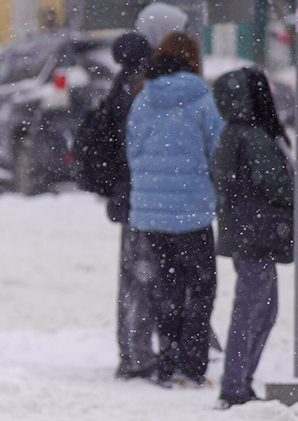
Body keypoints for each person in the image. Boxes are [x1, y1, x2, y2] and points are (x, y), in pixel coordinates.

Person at [125, 32, 225, 387]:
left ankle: (168, 364)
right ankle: (193, 366)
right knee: (200, 288)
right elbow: (218, 151)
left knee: (165, 290)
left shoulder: (143, 98)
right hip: (192, 211)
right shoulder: (202, 99)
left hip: (151, 213)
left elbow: (133, 151)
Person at [211, 68, 294, 408]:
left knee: (261, 309)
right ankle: (235, 387)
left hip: (246, 233)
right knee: (254, 310)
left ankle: (239, 383)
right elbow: (276, 185)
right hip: (257, 235)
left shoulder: (231, 133)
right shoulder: (254, 136)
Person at [101, 33, 158, 380]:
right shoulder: (136, 89)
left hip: (126, 194)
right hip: (139, 195)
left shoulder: (118, 85)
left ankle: (130, 350)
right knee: (143, 275)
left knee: (132, 276)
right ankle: (135, 354)